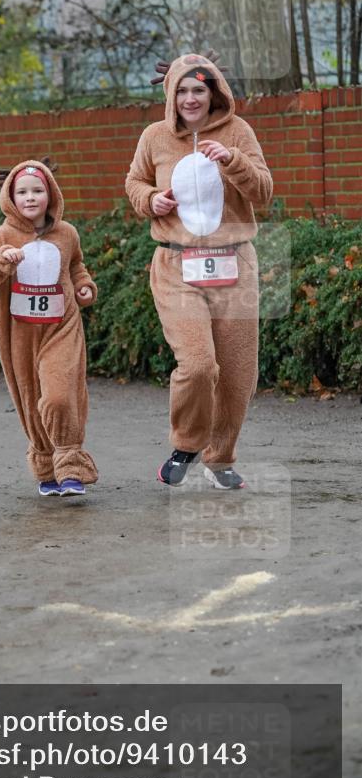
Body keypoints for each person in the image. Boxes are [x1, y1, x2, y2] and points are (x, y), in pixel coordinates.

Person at [125, 53, 273, 489]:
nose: (191, 98)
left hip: (235, 263)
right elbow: (134, 181)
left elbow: (263, 192)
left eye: (199, 89)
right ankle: (187, 443)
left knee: (237, 371)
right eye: (183, 90)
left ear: (215, 93)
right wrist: (150, 199)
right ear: (171, 94)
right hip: (176, 263)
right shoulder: (154, 137)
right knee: (199, 364)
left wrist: (232, 160)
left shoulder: (238, 131)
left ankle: (220, 458)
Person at [0, 160, 98, 496]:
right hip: (20, 333)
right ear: (11, 198)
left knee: (59, 396)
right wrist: (0, 260)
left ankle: (71, 465)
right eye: (22, 192)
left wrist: (84, 286)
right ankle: (46, 465)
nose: (30, 198)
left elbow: (76, 266)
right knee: (31, 399)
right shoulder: (2, 235)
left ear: (50, 194)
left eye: (37, 191)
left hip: (62, 328)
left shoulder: (67, 233)